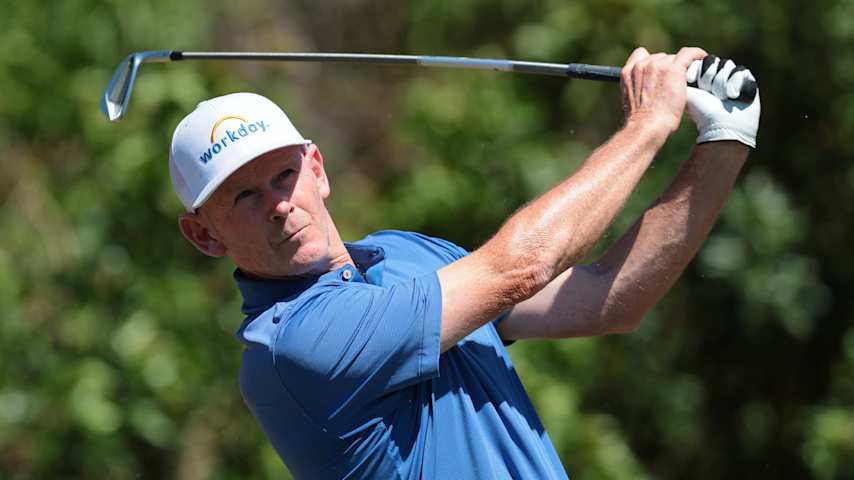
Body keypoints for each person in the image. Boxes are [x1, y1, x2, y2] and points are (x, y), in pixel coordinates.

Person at [169, 46, 760, 479]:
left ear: (317, 169)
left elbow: (608, 297)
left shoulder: (404, 254)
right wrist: (649, 124)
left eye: (284, 175)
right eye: (244, 197)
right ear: (203, 235)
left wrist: (724, 139)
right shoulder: (294, 345)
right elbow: (520, 267)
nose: (279, 204)